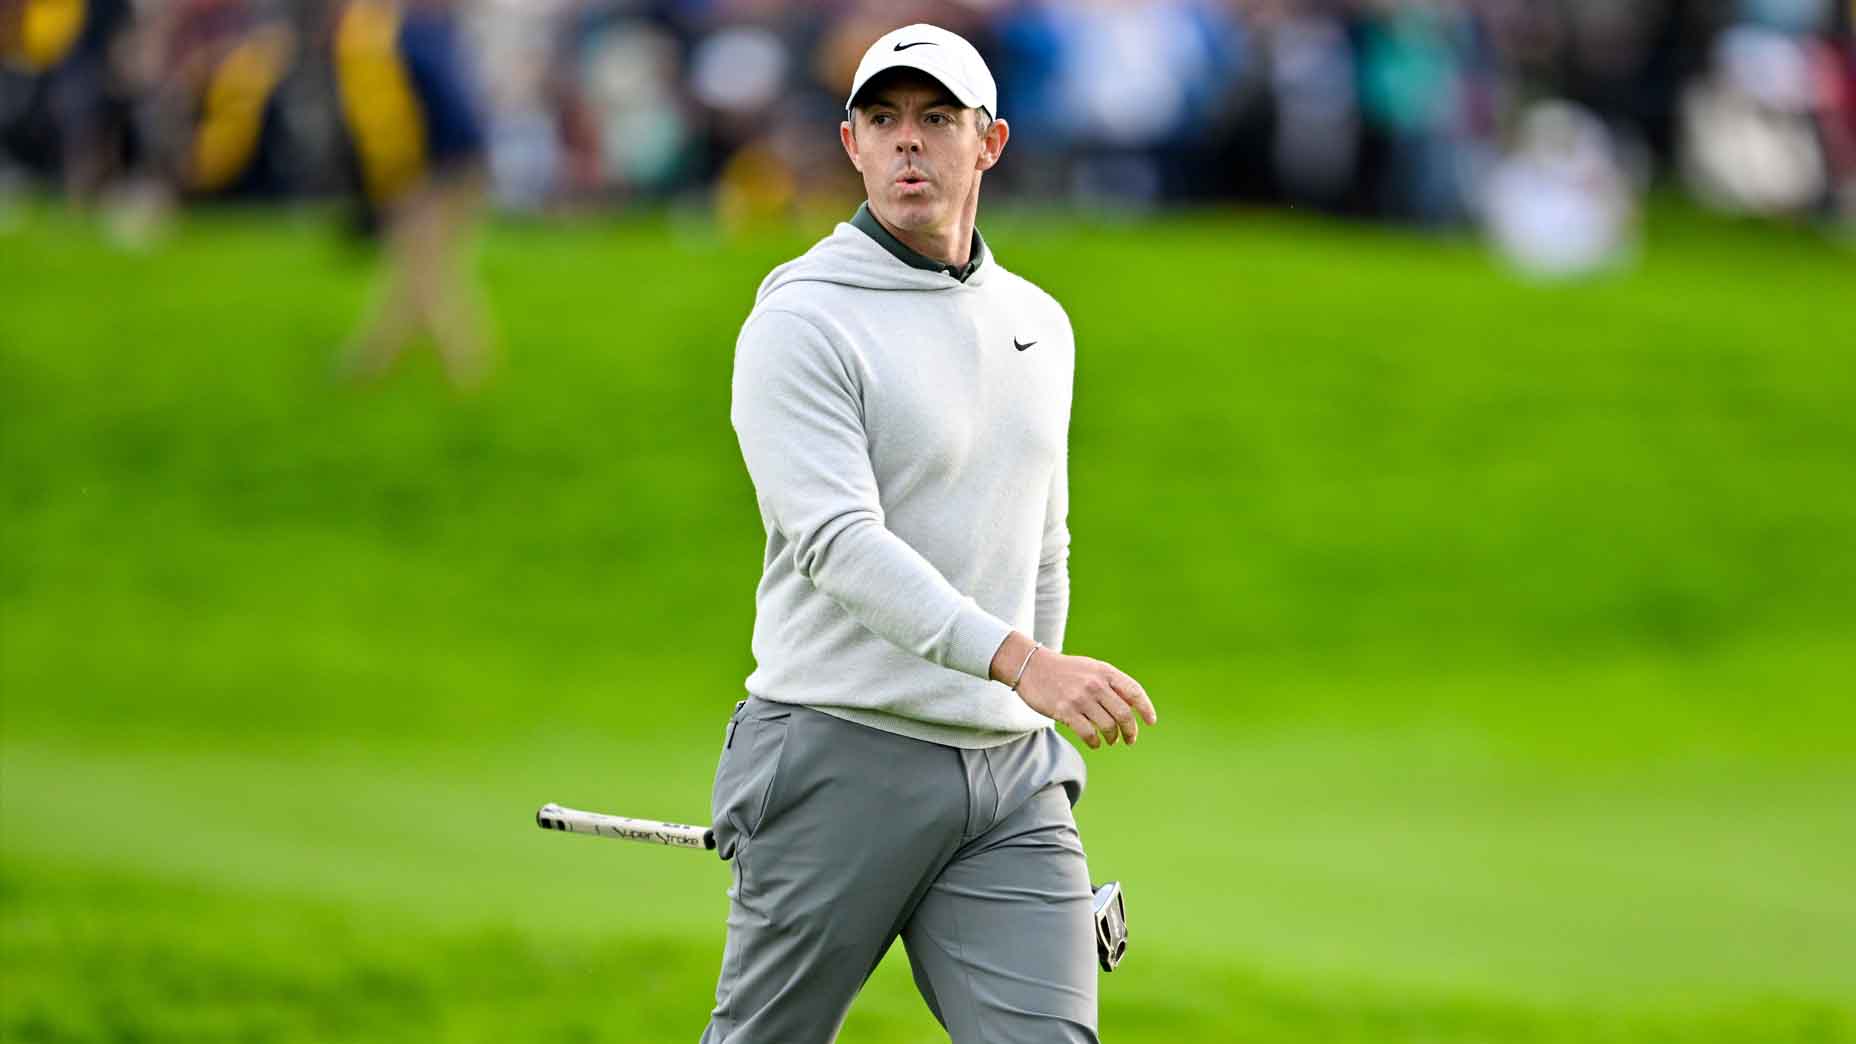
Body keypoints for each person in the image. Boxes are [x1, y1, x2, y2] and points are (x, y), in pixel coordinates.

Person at [708, 23, 1158, 1044]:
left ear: (988, 143)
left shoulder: (1039, 321)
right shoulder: (802, 319)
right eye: (883, 119)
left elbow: (1043, 543)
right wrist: (1023, 665)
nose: (908, 140)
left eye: (937, 118)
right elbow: (837, 543)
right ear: (851, 144)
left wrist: (1032, 720)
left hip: (1009, 783)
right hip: (838, 751)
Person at [333, 0, 490, 391]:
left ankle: (465, 368)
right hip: (458, 162)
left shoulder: (376, 35)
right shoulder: (419, 32)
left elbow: (387, 122)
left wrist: (395, 181)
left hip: (432, 169)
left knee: (425, 273)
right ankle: (372, 362)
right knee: (420, 270)